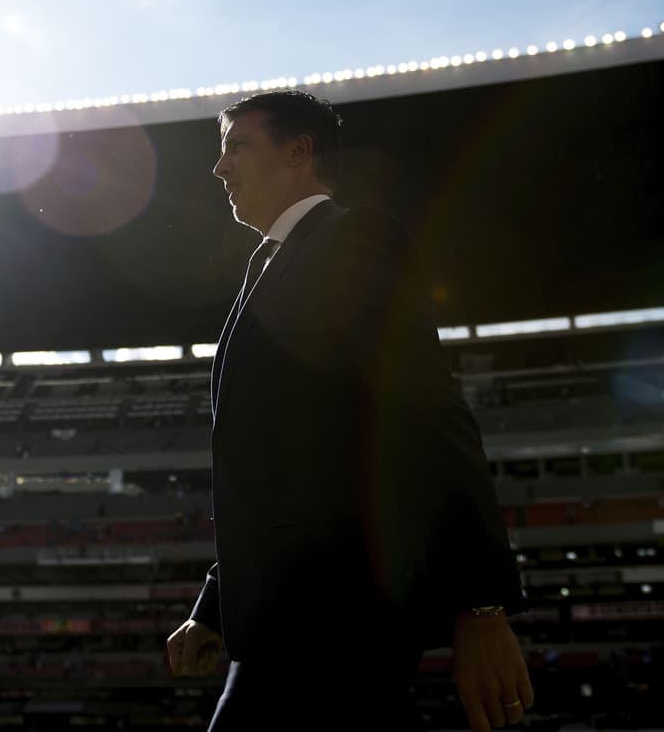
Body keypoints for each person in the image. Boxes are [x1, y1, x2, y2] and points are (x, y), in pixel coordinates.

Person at [166, 90, 532, 731]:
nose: (219, 168)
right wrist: (216, 607)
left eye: (236, 146)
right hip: (288, 616)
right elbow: (283, 469)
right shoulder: (272, 267)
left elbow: (428, 416)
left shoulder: (350, 239)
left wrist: (481, 608)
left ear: (299, 150)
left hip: (338, 613)